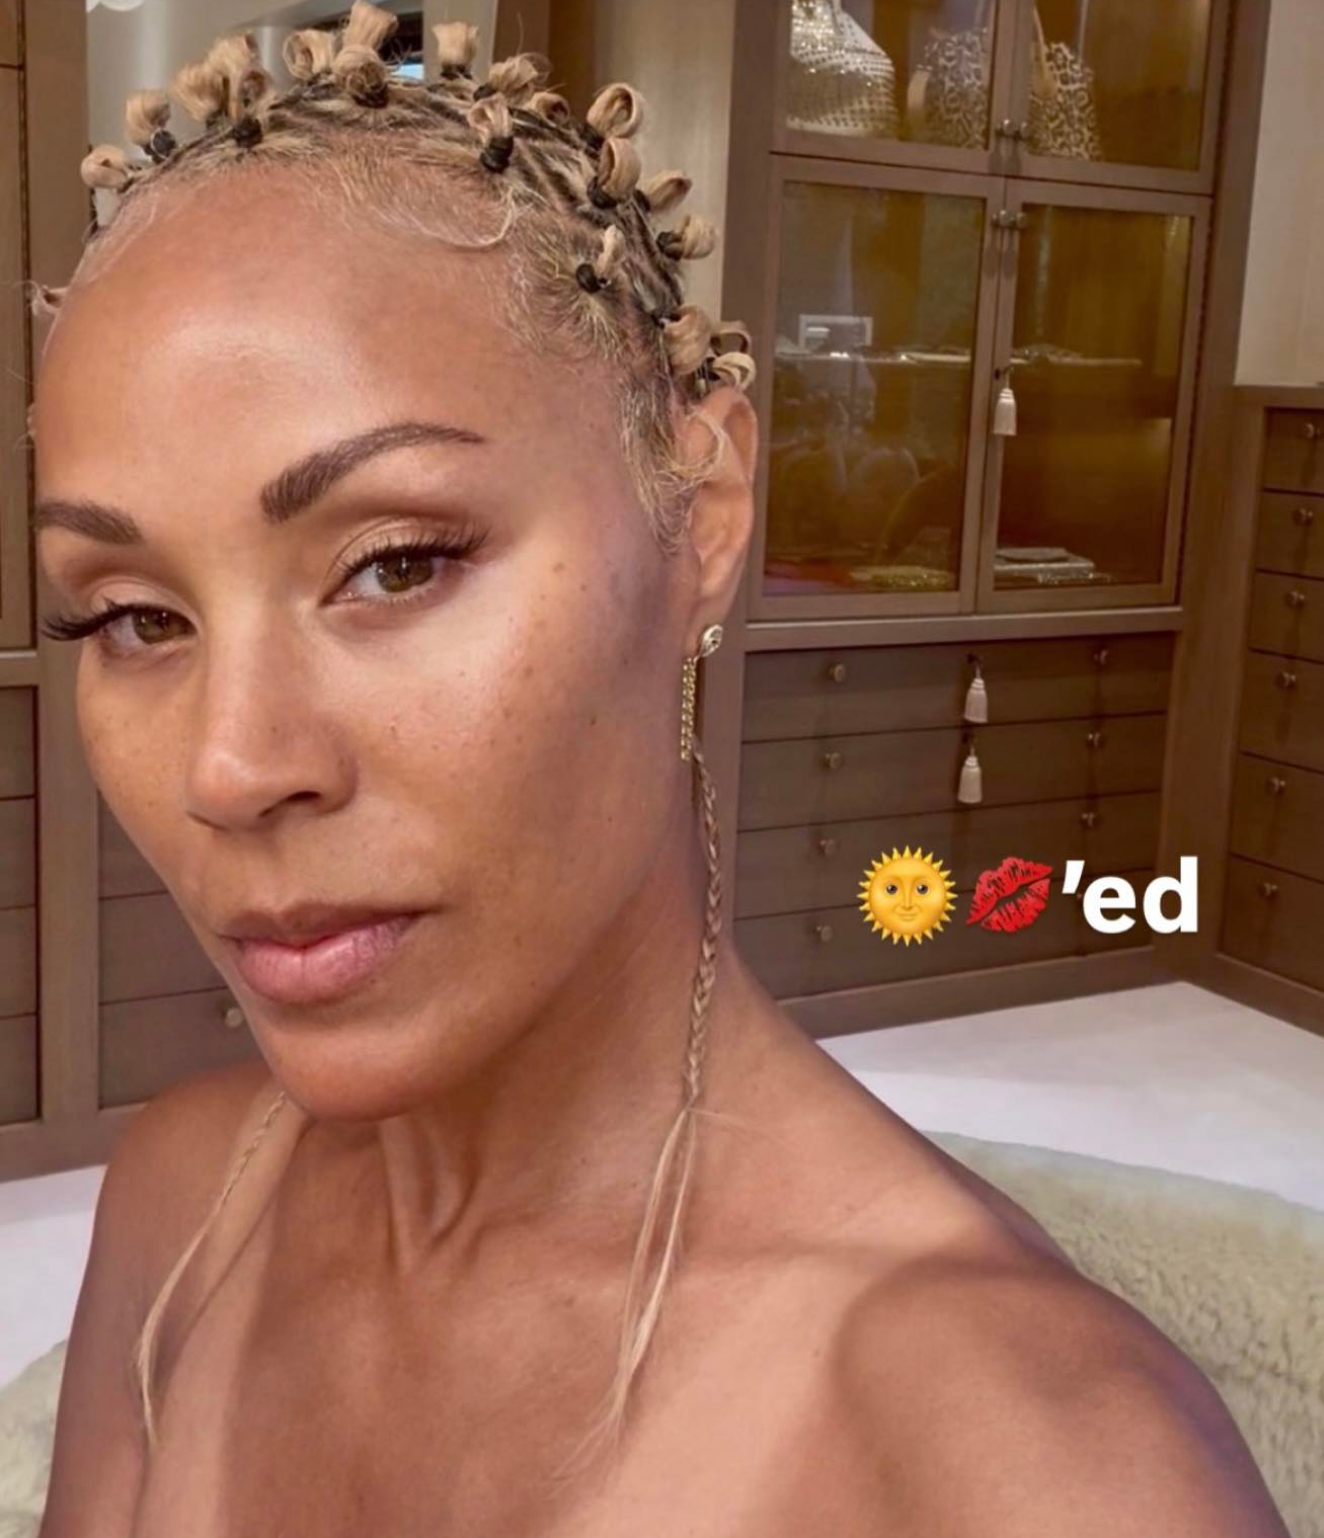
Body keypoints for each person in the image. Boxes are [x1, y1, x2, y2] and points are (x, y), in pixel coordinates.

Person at [29, 6, 1290, 1534]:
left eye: (397, 563)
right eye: (134, 616)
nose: (232, 766)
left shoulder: (1041, 1471)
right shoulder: (181, 1201)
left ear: (698, 512)